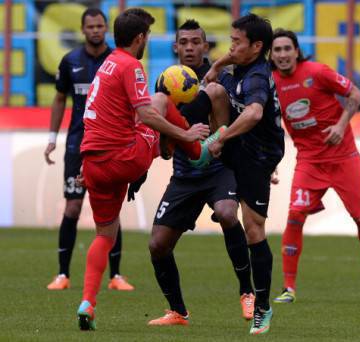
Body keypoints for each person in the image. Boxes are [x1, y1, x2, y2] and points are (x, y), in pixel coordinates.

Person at [75, 8, 214, 331]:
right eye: (147, 37)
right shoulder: (130, 65)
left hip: (93, 164)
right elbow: (149, 114)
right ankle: (198, 152)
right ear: (140, 39)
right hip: (124, 159)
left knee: (104, 236)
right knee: (163, 100)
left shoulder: (107, 63)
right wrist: (184, 134)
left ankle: (87, 303)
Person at [142, 19, 255, 327]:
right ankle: (178, 311)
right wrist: (172, 142)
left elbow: (228, 131)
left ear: (206, 47)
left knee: (228, 213)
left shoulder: (219, 82)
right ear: (175, 47)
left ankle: (248, 292)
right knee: (157, 245)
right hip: (184, 175)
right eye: (184, 42)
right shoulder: (164, 86)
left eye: (196, 42)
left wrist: (210, 143)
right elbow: (162, 142)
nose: (190, 47)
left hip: (219, 170)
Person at [269, 29, 360, 304]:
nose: (283, 54)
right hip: (309, 161)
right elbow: (269, 127)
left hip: (344, 158)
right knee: (295, 216)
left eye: (287, 48)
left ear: (296, 51)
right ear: (271, 55)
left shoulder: (317, 72)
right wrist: (271, 163)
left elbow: (354, 94)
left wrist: (342, 124)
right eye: (277, 50)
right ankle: (289, 288)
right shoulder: (270, 84)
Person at [194, 13, 285, 335]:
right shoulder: (238, 69)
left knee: (254, 231)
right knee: (215, 90)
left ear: (257, 46)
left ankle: (262, 306)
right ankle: (208, 163)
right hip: (238, 147)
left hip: (257, 157)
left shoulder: (258, 76)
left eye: (237, 42)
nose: (231, 47)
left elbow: (255, 112)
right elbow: (213, 84)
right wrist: (217, 66)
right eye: (230, 40)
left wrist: (219, 138)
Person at [44, 8, 134, 291]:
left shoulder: (117, 61)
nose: (96, 30)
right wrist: (52, 137)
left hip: (110, 146)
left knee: (112, 210)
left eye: (100, 26)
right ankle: (62, 275)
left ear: (106, 29)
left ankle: (116, 276)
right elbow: (59, 99)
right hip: (77, 146)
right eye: (91, 26)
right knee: (72, 206)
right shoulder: (70, 61)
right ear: (82, 30)